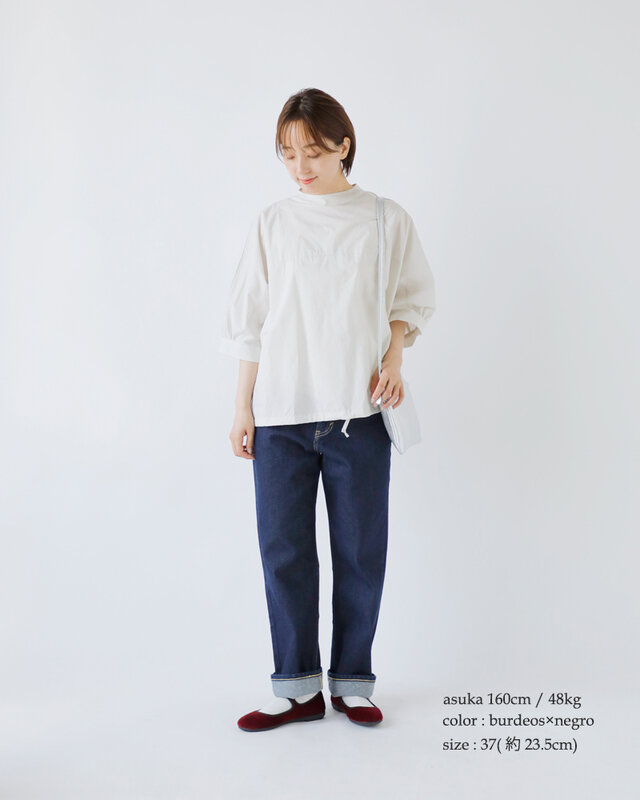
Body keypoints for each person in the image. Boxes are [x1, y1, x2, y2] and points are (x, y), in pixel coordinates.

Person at [218, 88, 436, 731]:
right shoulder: (273, 223)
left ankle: (352, 683)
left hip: (358, 415)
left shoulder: (384, 219)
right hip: (281, 414)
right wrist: (242, 408)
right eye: (287, 154)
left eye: (312, 152)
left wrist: (394, 359)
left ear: (344, 145)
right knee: (283, 552)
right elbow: (249, 323)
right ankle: (296, 688)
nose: (300, 167)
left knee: (360, 552)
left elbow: (409, 300)